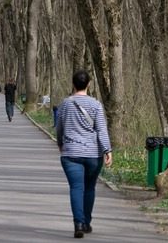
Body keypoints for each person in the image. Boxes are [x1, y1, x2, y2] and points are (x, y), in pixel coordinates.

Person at [55, 70, 112, 238]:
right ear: (88, 84)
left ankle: (78, 223)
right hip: (93, 154)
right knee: (89, 188)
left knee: (76, 188)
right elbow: (101, 130)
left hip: (71, 153)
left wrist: (60, 143)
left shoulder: (65, 104)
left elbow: (59, 126)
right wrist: (107, 150)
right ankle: (86, 222)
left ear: (73, 84)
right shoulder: (96, 105)